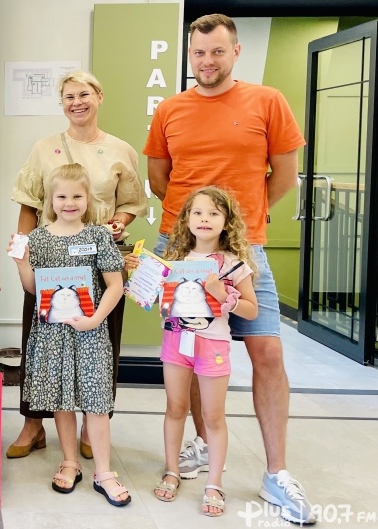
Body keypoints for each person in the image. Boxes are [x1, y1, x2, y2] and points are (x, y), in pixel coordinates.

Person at [143, 13, 313, 524]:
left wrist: (238, 226)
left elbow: (283, 176)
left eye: (217, 51)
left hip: (246, 249)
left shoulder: (268, 101)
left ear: (235, 52)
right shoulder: (171, 109)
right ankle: (199, 442)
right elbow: (160, 178)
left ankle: (276, 472)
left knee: (266, 351)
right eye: (198, 53)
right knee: (191, 346)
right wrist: (195, 233)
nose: (207, 61)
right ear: (189, 55)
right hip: (181, 251)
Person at [8, 70, 147, 460]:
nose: (76, 103)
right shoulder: (45, 147)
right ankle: (33, 422)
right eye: (68, 97)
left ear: (99, 96)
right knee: (39, 343)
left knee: (101, 342)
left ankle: (93, 422)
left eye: (84, 94)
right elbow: (28, 203)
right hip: (50, 258)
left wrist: (119, 223)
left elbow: (131, 204)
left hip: (98, 257)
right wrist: (24, 252)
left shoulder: (121, 150)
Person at [129, 187, 257, 516]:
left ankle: (214, 483)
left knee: (213, 417)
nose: (204, 219)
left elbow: (251, 311)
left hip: (212, 345)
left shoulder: (234, 264)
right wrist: (142, 277)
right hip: (176, 342)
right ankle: (172, 469)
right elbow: (159, 303)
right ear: (186, 220)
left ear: (227, 222)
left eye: (214, 213)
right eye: (198, 213)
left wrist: (221, 293)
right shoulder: (175, 263)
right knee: (175, 407)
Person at [11, 163, 129, 507]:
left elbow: (115, 285)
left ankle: (104, 472)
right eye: (61, 195)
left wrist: (95, 320)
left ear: (88, 198)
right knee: (62, 400)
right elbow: (33, 288)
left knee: (96, 402)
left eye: (77, 195)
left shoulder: (98, 236)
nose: (69, 202)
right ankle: (70, 461)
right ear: (50, 199)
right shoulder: (38, 239)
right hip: (51, 334)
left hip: (90, 334)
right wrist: (21, 262)